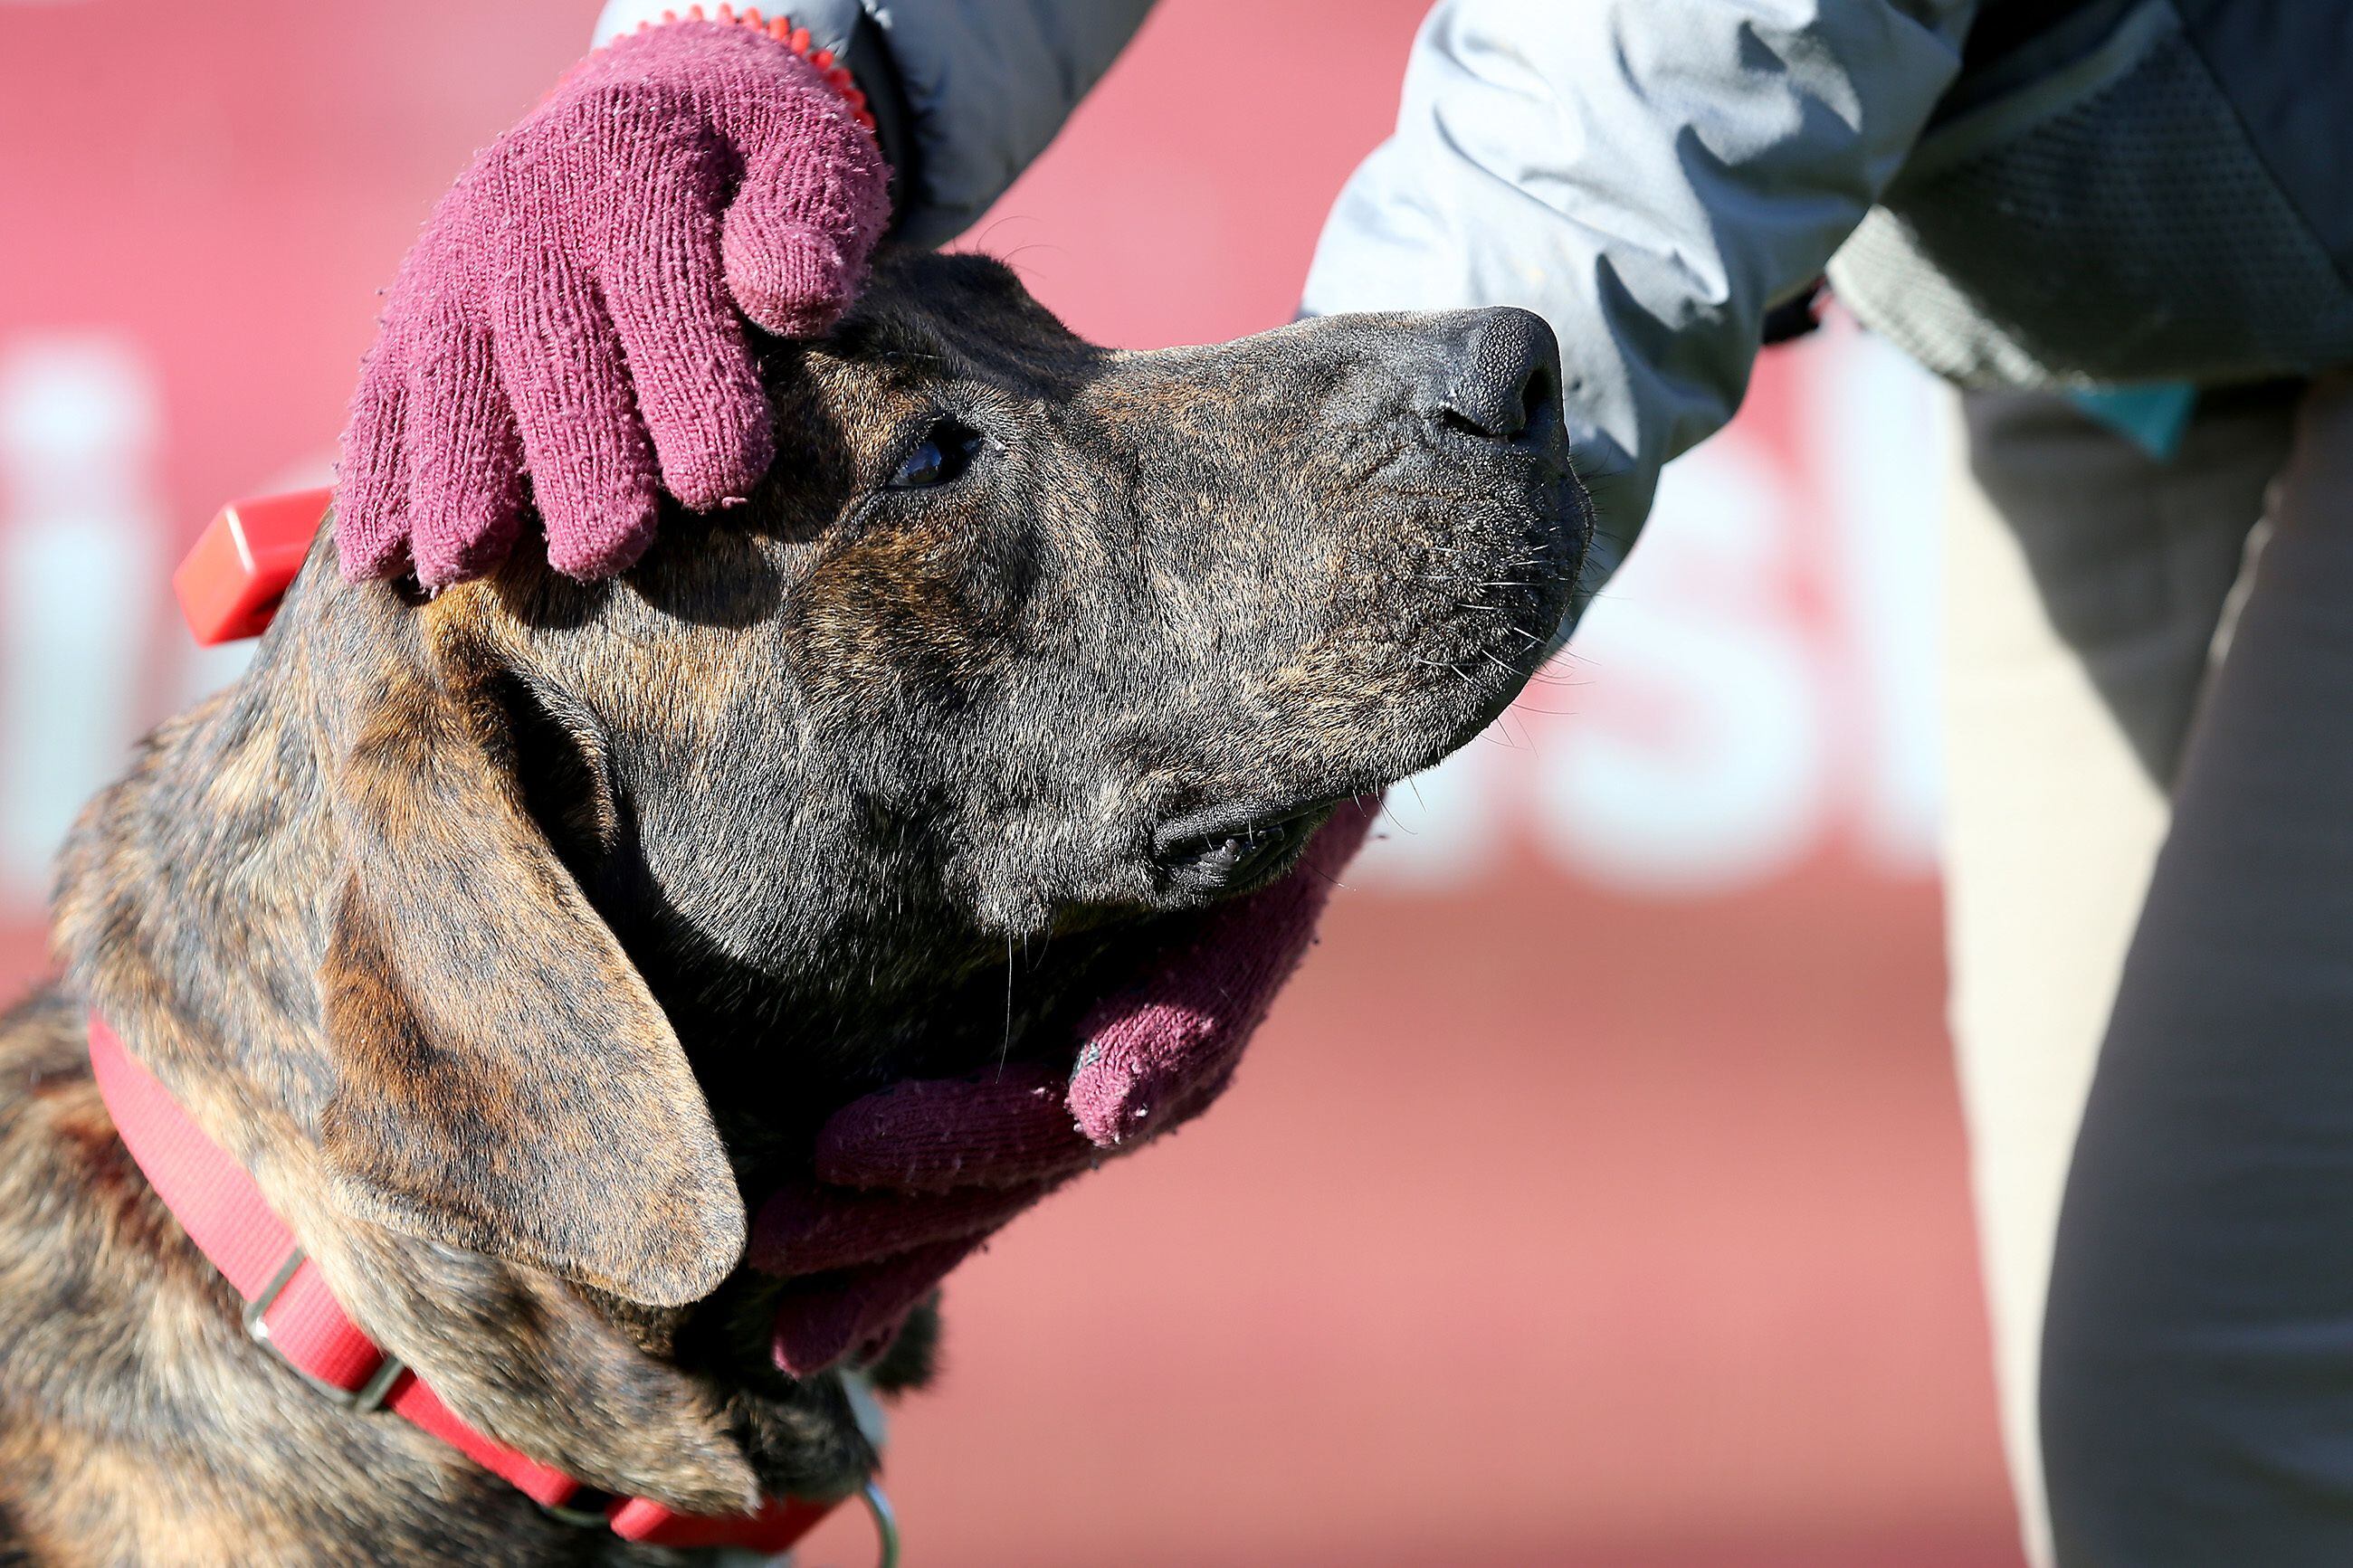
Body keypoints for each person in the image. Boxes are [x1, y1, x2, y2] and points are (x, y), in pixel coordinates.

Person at [334, 2, 2353, 1562]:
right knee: (2188, 1487)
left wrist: (1338, 619)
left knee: (2211, 1405)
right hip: (2136, 266)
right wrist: (767, 43)